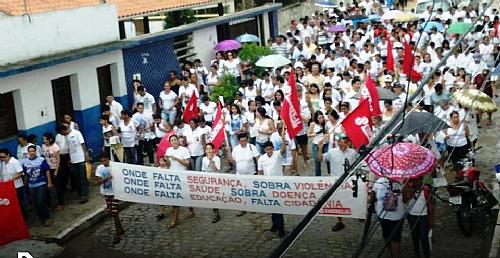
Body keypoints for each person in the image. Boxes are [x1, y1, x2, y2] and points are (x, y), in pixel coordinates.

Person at [318, 134, 356, 231]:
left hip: (349, 181)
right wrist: (320, 149)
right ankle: (340, 221)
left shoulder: (353, 153)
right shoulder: (332, 152)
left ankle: (358, 214)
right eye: (340, 140)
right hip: (335, 181)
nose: (342, 142)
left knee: (352, 200)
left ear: (348, 142)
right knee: (338, 202)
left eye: (344, 141)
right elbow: (320, 159)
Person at [257, 140, 287, 237]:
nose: (269, 151)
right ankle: (275, 224)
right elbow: (260, 172)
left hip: (278, 185)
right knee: (272, 206)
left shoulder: (277, 154)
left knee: (279, 207)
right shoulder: (261, 159)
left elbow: (283, 150)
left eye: (270, 149)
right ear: (265, 150)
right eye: (267, 149)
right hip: (268, 185)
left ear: (273, 148)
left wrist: (283, 140)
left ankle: (281, 227)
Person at [226, 133, 260, 217]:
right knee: (240, 192)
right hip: (239, 175)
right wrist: (228, 152)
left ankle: (252, 207)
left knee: (251, 192)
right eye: (242, 141)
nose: (244, 142)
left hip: (251, 174)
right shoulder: (236, 149)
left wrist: (259, 172)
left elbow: (258, 159)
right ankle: (242, 208)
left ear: (247, 140)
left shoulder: (252, 147)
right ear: (239, 141)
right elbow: (231, 161)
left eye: (245, 140)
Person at [164, 135, 194, 228]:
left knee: (186, 194)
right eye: (171, 140)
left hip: (183, 175)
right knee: (175, 197)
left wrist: (176, 159)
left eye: (175, 139)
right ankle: (175, 219)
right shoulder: (168, 150)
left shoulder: (184, 150)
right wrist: (166, 160)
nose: (173, 141)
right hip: (173, 176)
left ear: (178, 140)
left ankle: (191, 209)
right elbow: (168, 165)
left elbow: (187, 163)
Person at [372, 177, 405, 258]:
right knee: (389, 236)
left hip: (395, 216)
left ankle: (394, 254)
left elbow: (373, 195)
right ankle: (393, 253)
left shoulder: (402, 182)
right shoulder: (380, 182)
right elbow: (373, 193)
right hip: (385, 216)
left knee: (392, 237)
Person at [95, 153, 124, 244]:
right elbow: (98, 181)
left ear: (108, 159)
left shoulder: (114, 166)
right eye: (102, 161)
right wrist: (108, 178)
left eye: (105, 160)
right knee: (111, 211)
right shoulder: (100, 168)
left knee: (114, 211)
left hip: (115, 193)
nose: (104, 162)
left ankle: (117, 234)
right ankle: (120, 228)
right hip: (106, 192)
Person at [21, 145, 53, 226]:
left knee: (41, 201)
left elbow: (47, 171)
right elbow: (26, 175)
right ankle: (41, 218)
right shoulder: (25, 162)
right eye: (30, 151)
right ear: (28, 153)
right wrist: (25, 185)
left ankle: (47, 218)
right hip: (31, 185)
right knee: (35, 203)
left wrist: (49, 182)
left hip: (41, 183)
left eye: (33, 151)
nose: (31, 153)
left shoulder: (41, 160)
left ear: (36, 151)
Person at [403, 177, 433, 258]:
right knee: (414, 235)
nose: (416, 182)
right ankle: (416, 252)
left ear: (421, 180)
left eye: (418, 180)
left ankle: (427, 254)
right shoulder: (408, 188)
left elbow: (430, 206)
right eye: (413, 180)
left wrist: (430, 221)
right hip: (411, 215)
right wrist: (408, 192)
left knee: (424, 237)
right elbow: (405, 201)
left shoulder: (425, 189)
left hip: (423, 216)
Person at [62, 123, 90, 204]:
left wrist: (86, 155)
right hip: (73, 160)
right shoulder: (66, 137)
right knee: (77, 178)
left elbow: (83, 144)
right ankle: (80, 194)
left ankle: (84, 195)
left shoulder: (77, 133)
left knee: (82, 178)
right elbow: (68, 149)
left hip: (80, 158)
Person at [0, 148, 26, 216]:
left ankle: (23, 216)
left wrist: (11, 179)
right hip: (8, 187)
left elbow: (20, 173)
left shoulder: (14, 161)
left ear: (8, 154)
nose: (2, 159)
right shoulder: (2, 163)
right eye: (1, 157)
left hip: (17, 186)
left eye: (4, 157)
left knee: (18, 202)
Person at [42, 132, 63, 210]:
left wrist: (56, 171)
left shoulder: (55, 147)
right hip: (48, 168)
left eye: (45, 139)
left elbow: (58, 159)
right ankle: (49, 204)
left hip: (55, 168)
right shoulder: (43, 146)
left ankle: (60, 203)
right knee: (48, 186)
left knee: (58, 187)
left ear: (50, 139)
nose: (44, 141)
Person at [201, 143, 222, 223]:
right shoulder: (203, 159)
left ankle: (216, 213)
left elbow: (216, 170)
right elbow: (203, 170)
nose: (209, 151)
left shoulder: (217, 159)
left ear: (213, 150)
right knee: (211, 197)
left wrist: (211, 161)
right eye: (207, 149)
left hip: (215, 179)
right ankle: (215, 212)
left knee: (215, 196)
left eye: (210, 149)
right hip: (208, 180)